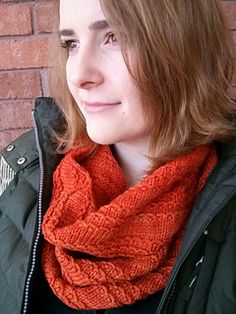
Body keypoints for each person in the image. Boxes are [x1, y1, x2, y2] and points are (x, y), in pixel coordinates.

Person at [0, 0, 236, 313]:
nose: (79, 76)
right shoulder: (20, 173)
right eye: (71, 43)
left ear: (184, 45)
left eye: (116, 37)